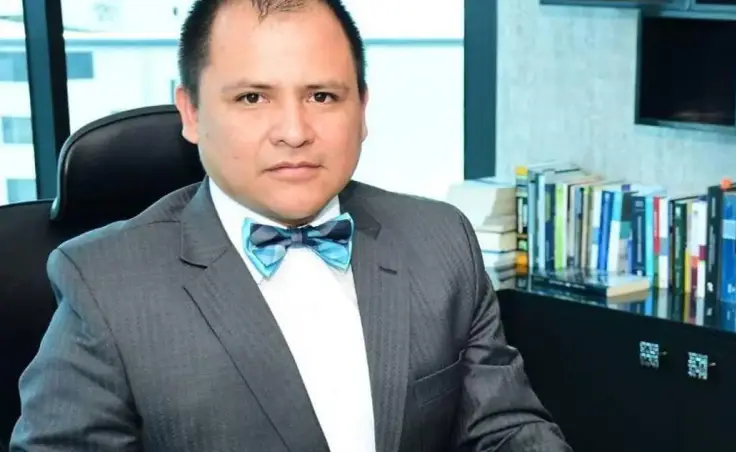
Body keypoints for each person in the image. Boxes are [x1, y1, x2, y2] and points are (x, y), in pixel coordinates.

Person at [9, 0, 573, 451]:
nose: (295, 131)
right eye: (252, 97)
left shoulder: (441, 239)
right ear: (191, 112)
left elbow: (503, 429)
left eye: (323, 96)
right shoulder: (104, 285)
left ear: (362, 109)